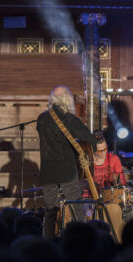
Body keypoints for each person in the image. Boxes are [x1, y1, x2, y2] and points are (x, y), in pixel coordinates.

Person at [37, 85, 96, 239]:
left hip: (48, 171)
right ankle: (80, 240)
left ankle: (48, 242)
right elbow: (90, 139)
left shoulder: (41, 119)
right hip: (66, 170)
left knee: (50, 211)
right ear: (67, 100)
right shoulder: (70, 119)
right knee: (75, 206)